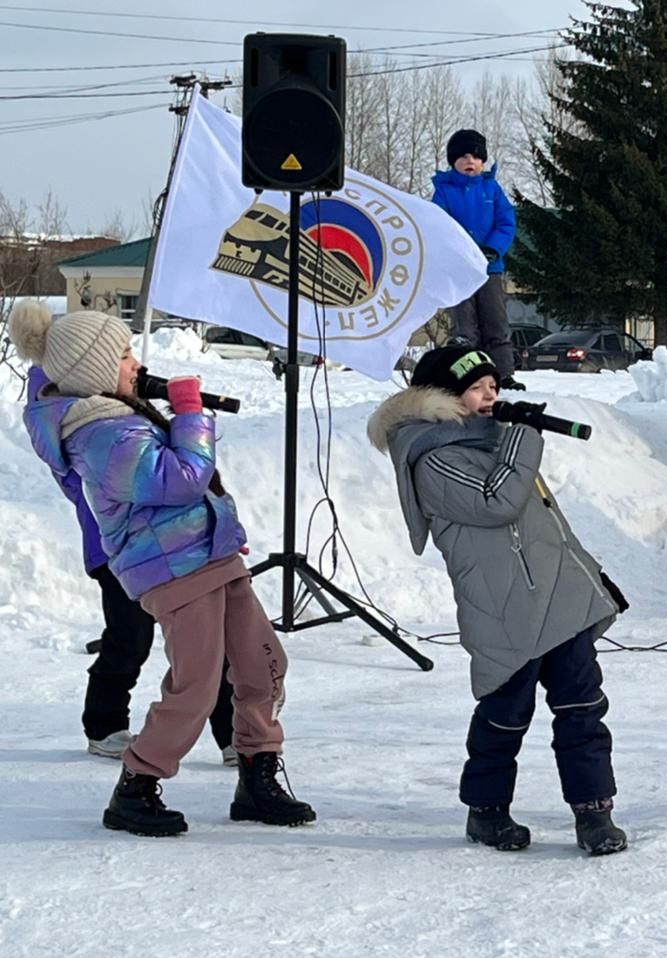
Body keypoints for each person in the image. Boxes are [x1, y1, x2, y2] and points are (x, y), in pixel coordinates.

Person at [14, 303, 314, 837]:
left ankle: (258, 776)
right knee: (196, 686)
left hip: (211, 555)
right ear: (94, 369)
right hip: (173, 569)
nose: (135, 363)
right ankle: (136, 784)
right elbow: (180, 480)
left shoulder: (122, 419)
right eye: (124, 353)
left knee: (262, 664)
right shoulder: (100, 435)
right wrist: (192, 415)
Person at [366, 345, 628, 855]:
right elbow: (497, 501)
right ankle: (486, 811)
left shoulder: (493, 442)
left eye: (494, 385)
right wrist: (525, 436)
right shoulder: (432, 457)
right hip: (502, 612)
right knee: (505, 715)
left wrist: (590, 581)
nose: (492, 395)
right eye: (478, 387)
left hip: (557, 601)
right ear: (442, 397)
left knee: (583, 707)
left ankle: (594, 812)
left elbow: (545, 527)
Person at [26, 361, 238, 764]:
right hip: (120, 549)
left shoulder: (115, 413)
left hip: (170, 546)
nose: (134, 363)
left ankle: (232, 733)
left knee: (210, 641)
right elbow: (171, 477)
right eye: (118, 353)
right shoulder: (83, 426)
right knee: (130, 636)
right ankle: (104, 724)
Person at [432, 128, 524, 391]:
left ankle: (503, 374)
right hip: (459, 271)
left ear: (482, 161)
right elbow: (440, 227)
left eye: (474, 156)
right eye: (462, 157)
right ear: (453, 162)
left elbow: (506, 222)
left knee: (496, 322)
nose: (469, 161)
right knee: (464, 327)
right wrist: (457, 253)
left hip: (490, 269)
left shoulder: (492, 189)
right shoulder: (444, 193)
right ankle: (467, 376)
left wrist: (494, 249)